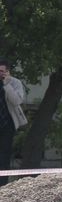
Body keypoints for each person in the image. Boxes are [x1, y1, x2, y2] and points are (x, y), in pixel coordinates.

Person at [0, 59, 27, 187]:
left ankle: (2, 185)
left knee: (4, 155)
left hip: (7, 124)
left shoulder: (15, 83)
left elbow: (17, 101)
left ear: (7, 72)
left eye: (1, 71)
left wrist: (7, 85)